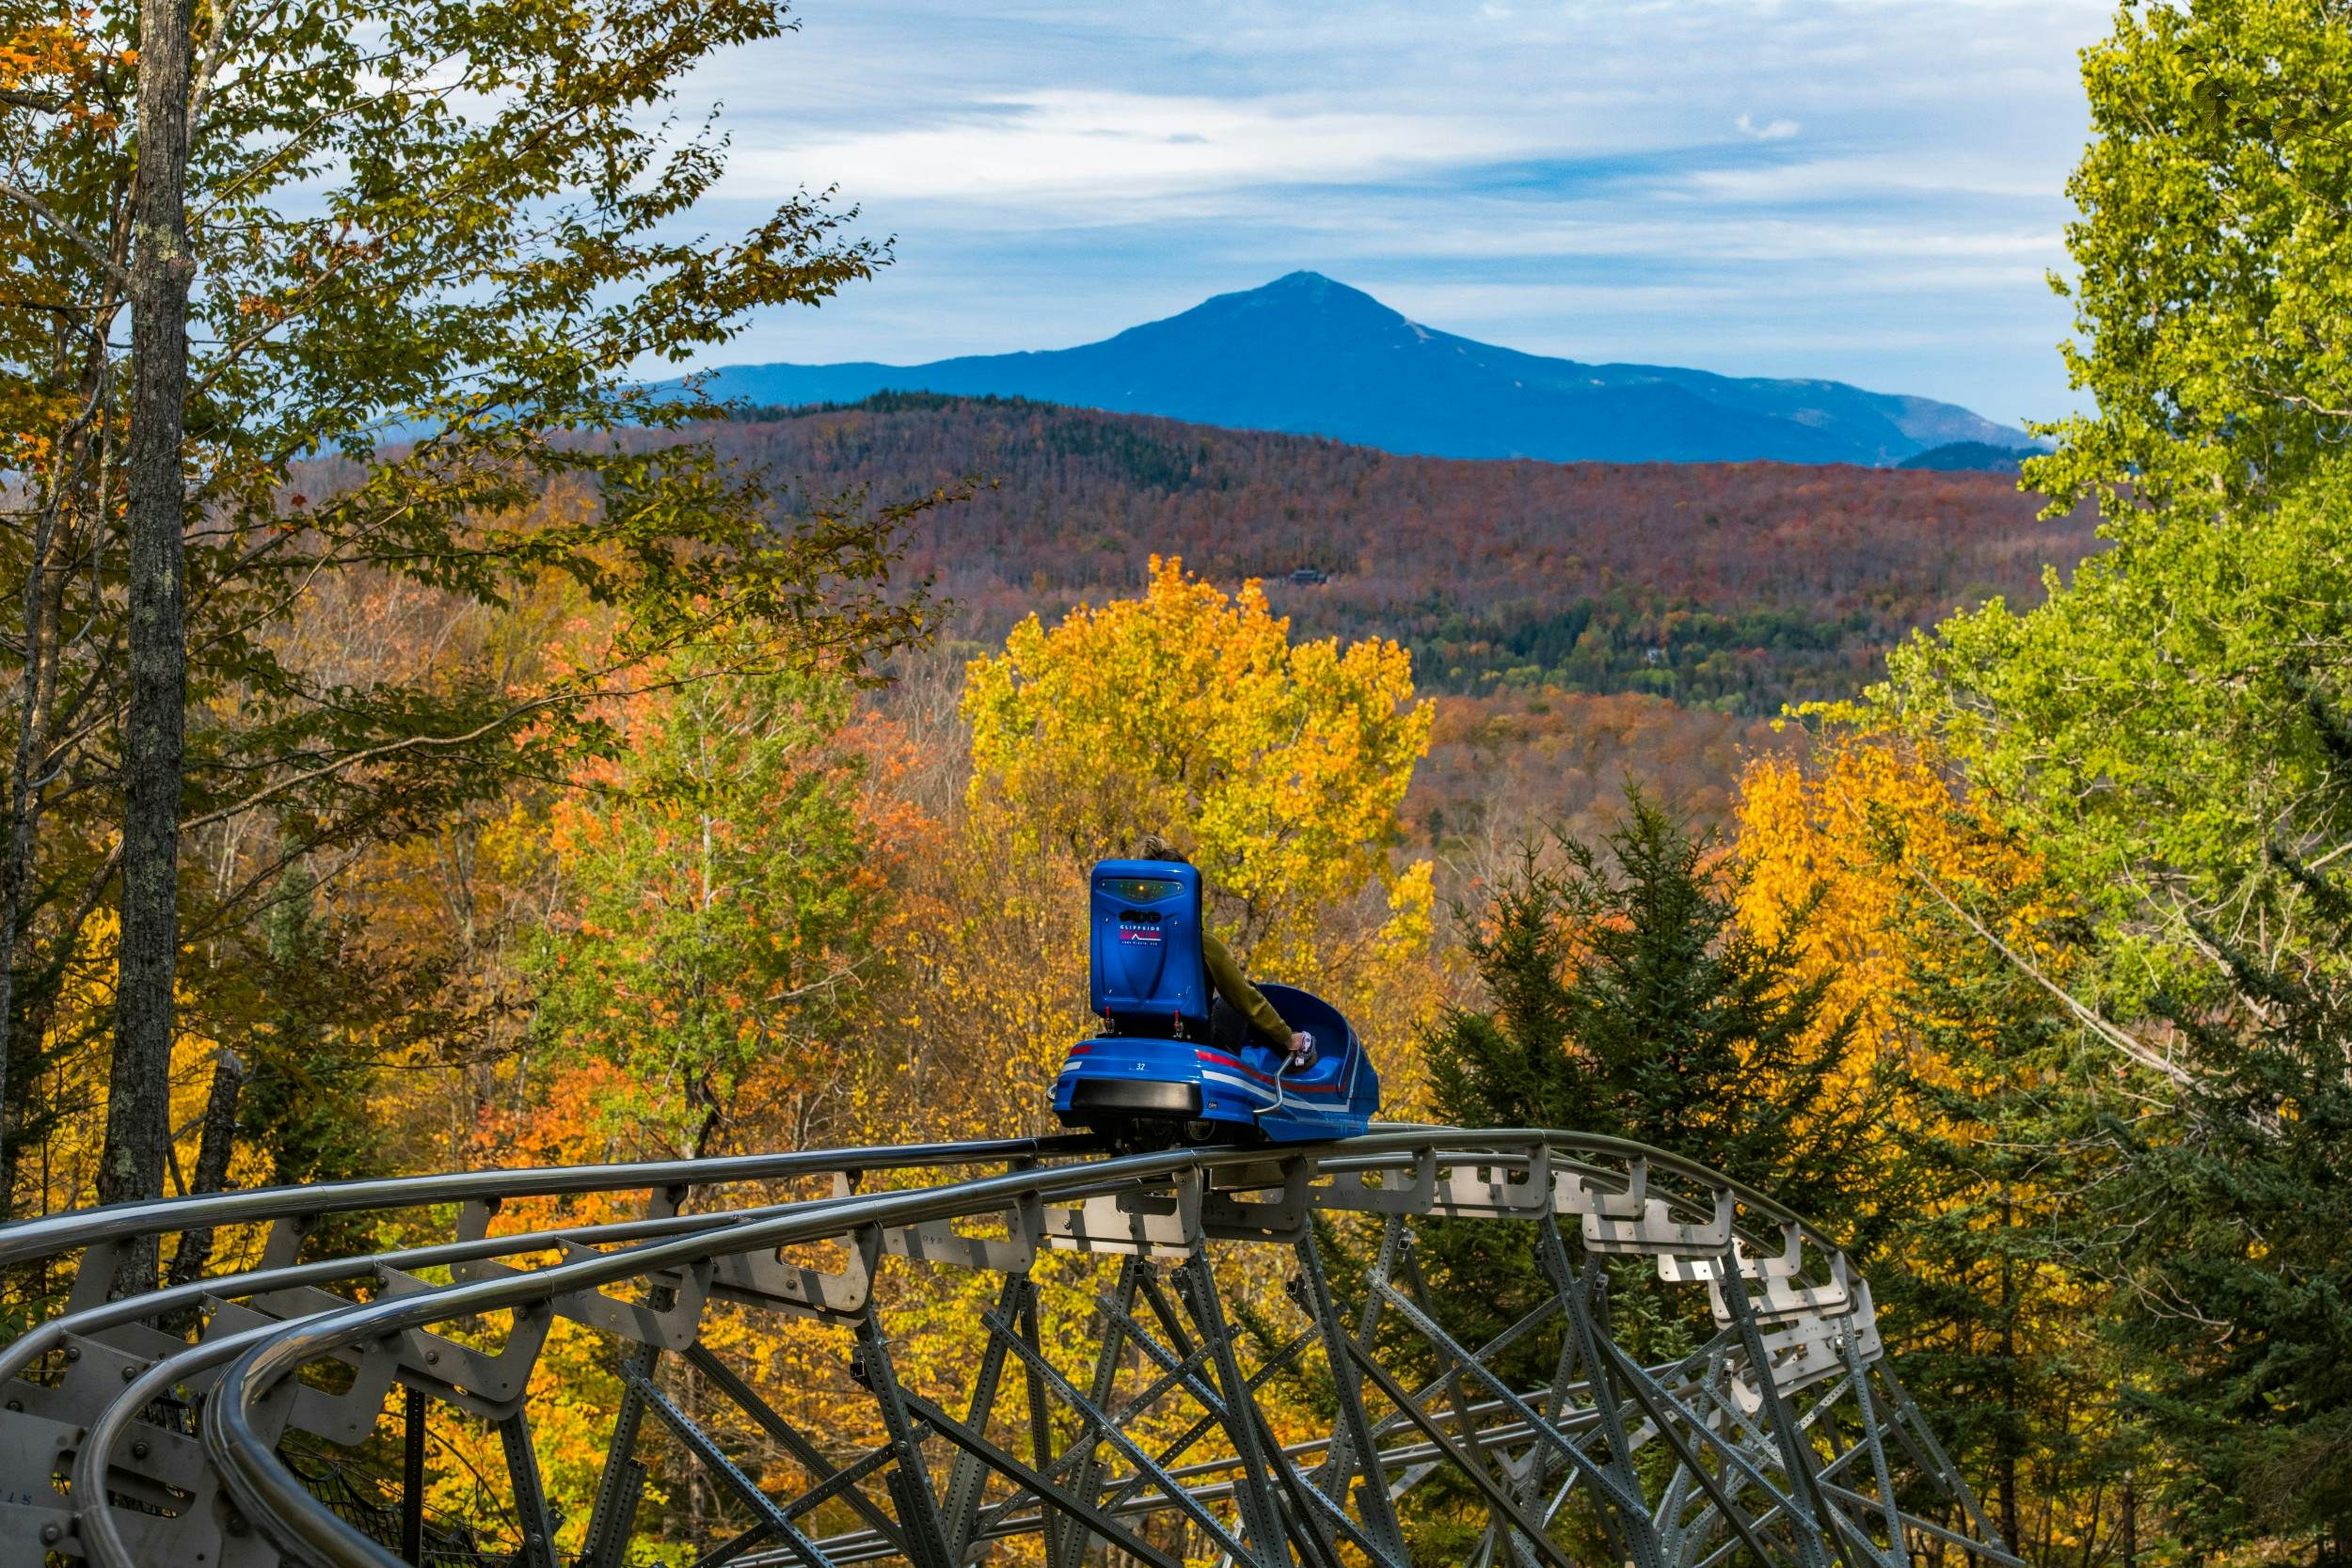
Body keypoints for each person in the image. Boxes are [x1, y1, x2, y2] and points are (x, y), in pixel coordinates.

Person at [1136, 833, 1316, 1069]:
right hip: (1193, 1043)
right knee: (1236, 998)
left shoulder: (1120, 937)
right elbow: (1245, 998)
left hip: (1132, 1035)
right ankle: (1291, 1050)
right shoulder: (1201, 943)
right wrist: (1285, 1035)